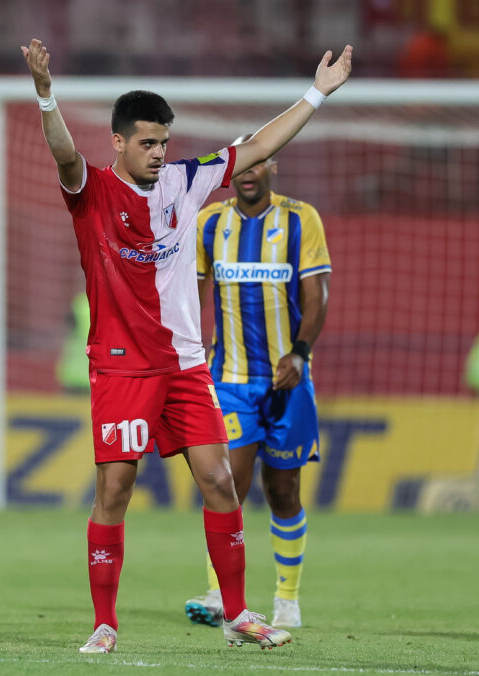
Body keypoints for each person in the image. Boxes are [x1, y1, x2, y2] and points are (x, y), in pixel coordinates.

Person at [21, 37, 352, 653]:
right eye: (147, 142)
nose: (158, 153)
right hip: (122, 370)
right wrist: (46, 95)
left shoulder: (187, 180)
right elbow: (64, 154)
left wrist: (317, 93)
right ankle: (104, 623)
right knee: (114, 491)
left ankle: (237, 614)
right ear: (118, 142)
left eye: (164, 142)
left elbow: (259, 146)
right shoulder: (91, 192)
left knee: (220, 481)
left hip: (186, 368)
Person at [183, 138, 330, 631]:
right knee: (225, 484)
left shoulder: (301, 220)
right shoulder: (209, 223)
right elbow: (190, 296)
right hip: (230, 382)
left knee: (283, 491)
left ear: (273, 166)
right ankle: (218, 593)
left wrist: (300, 352)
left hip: (288, 382)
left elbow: (317, 295)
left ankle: (287, 598)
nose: (248, 172)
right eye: (241, 163)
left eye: (258, 161)